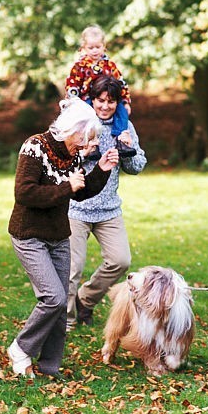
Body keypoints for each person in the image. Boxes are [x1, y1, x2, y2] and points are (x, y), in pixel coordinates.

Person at [7, 97, 120, 378]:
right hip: (29, 234)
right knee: (53, 298)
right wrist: (65, 186)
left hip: (58, 235)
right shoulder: (35, 147)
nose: (89, 144)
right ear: (74, 129)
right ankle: (21, 348)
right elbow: (25, 193)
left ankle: (49, 366)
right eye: (87, 138)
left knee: (62, 301)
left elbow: (78, 191)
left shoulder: (74, 154)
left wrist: (101, 171)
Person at [67, 75, 147, 330]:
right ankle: (65, 322)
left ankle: (85, 300)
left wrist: (128, 148)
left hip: (108, 209)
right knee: (72, 269)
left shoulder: (124, 125)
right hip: (77, 207)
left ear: (118, 103)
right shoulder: (80, 122)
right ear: (92, 99)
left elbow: (137, 167)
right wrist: (83, 154)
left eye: (110, 102)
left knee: (120, 260)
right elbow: (61, 162)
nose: (104, 106)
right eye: (100, 100)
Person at [64, 24, 135, 159]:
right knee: (88, 118)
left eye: (98, 47)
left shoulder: (110, 65)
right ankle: (92, 144)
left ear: (104, 46)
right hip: (87, 98)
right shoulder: (80, 66)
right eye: (90, 48)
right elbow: (72, 84)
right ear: (83, 48)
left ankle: (121, 140)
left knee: (121, 112)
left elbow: (121, 82)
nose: (94, 51)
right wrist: (72, 101)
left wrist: (125, 101)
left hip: (109, 95)